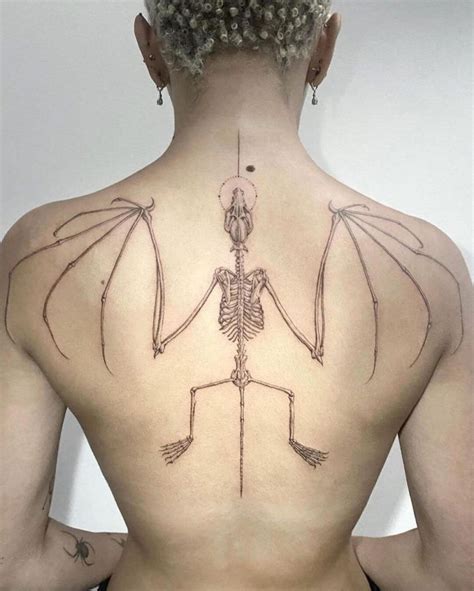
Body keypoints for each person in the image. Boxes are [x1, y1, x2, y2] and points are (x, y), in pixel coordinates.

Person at [1, 2, 471, 590]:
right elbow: (457, 569)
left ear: (150, 48)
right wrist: (334, 554)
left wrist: (144, 547)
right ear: (324, 46)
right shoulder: (426, 268)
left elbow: (11, 565)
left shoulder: (39, 254)